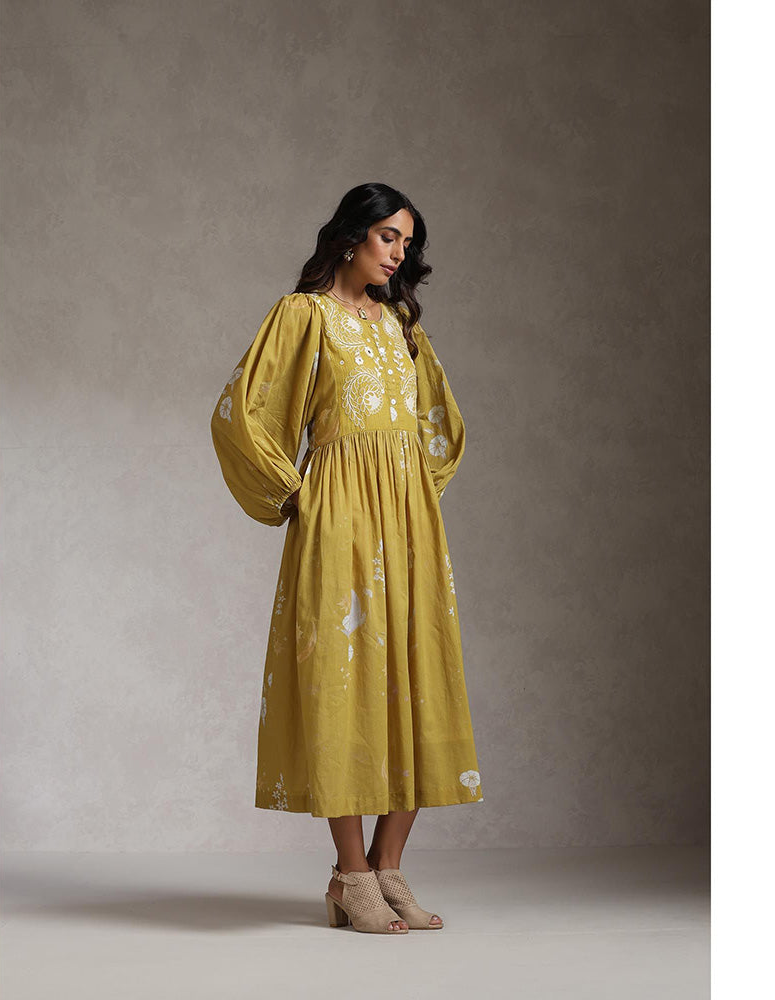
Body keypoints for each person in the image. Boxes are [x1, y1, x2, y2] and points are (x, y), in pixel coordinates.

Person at [210, 182, 483, 934]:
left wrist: (412, 495)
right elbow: (242, 412)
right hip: (339, 521)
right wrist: (298, 493)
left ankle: (389, 866)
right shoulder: (304, 316)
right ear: (351, 235)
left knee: (418, 677)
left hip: (408, 522)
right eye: (389, 236)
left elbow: (438, 425)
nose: (399, 253)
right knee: (345, 681)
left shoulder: (402, 325)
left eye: (407, 243)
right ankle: (350, 874)